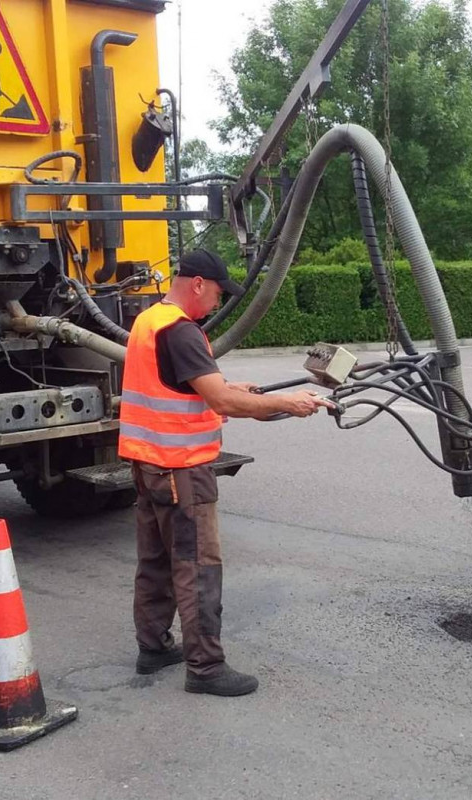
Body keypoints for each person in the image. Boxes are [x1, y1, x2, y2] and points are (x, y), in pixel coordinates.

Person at [119, 249, 333, 696]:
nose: (217, 303)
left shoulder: (150, 320)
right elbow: (222, 404)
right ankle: (205, 669)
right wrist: (287, 403)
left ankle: (153, 647)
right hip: (182, 472)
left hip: (148, 464)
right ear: (198, 284)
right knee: (197, 568)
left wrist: (231, 386)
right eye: (217, 293)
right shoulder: (182, 331)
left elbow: (179, 383)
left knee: (156, 563)